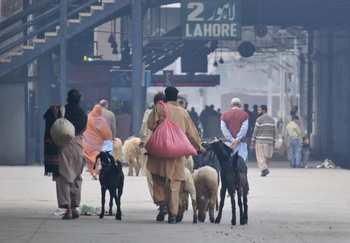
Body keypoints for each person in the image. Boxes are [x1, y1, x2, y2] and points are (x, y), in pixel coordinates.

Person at [146, 86, 206, 224]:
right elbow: (191, 132)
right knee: (175, 183)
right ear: (177, 97)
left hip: (159, 149)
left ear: (165, 96)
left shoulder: (159, 108)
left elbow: (150, 125)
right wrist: (199, 146)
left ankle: (162, 204)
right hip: (177, 152)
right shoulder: (183, 112)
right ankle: (173, 214)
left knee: (156, 175)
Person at [43, 89, 88, 220]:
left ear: (67, 100)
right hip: (78, 148)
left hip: (63, 147)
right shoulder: (83, 115)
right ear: (80, 100)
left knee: (63, 178)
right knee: (76, 177)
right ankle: (74, 208)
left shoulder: (60, 112)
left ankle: (67, 209)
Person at [139, 92, 166, 199]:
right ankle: (171, 201)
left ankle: (160, 200)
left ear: (155, 103)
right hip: (171, 147)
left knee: (152, 173)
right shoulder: (172, 112)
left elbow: (144, 127)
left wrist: (142, 139)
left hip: (154, 147)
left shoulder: (149, 112)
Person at [83, 104, 112, 179]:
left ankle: (92, 172)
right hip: (98, 142)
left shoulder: (88, 118)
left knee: (89, 156)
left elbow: (84, 129)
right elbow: (105, 132)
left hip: (88, 141)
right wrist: (108, 138)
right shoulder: (101, 120)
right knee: (97, 156)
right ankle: (95, 171)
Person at [220, 98, 250, 162]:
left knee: (228, 162)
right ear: (240, 105)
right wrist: (237, 140)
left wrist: (232, 140)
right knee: (241, 163)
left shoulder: (224, 115)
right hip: (241, 143)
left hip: (227, 143)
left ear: (231, 105)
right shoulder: (244, 115)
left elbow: (224, 129)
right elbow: (244, 129)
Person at [251, 105, 276, 176]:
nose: (258, 111)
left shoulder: (259, 119)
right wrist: (274, 140)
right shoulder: (272, 119)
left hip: (260, 140)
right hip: (269, 141)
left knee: (260, 156)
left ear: (264, 110)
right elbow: (274, 131)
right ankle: (265, 168)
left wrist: (253, 140)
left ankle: (264, 169)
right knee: (267, 156)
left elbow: (255, 131)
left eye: (259, 110)